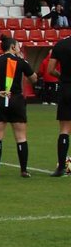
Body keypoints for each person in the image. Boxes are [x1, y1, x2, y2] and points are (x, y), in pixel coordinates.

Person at [0, 35, 38, 178]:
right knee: (21, 137)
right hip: (16, 100)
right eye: (18, 46)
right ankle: (24, 170)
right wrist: (23, 61)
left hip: (0, 100)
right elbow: (34, 79)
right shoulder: (21, 62)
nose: (19, 48)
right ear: (13, 47)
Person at [48, 33, 71, 176]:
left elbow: (50, 69)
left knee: (64, 129)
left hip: (66, 88)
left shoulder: (60, 45)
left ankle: (61, 167)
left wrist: (62, 77)